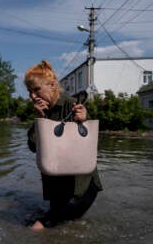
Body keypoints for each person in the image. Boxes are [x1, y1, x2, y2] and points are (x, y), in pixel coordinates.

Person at [24, 60, 102, 230]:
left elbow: (91, 143)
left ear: (52, 85)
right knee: (63, 231)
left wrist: (84, 120)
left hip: (81, 187)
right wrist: (40, 119)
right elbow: (32, 147)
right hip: (57, 187)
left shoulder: (72, 104)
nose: (32, 96)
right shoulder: (43, 110)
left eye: (36, 90)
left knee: (39, 227)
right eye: (29, 91)